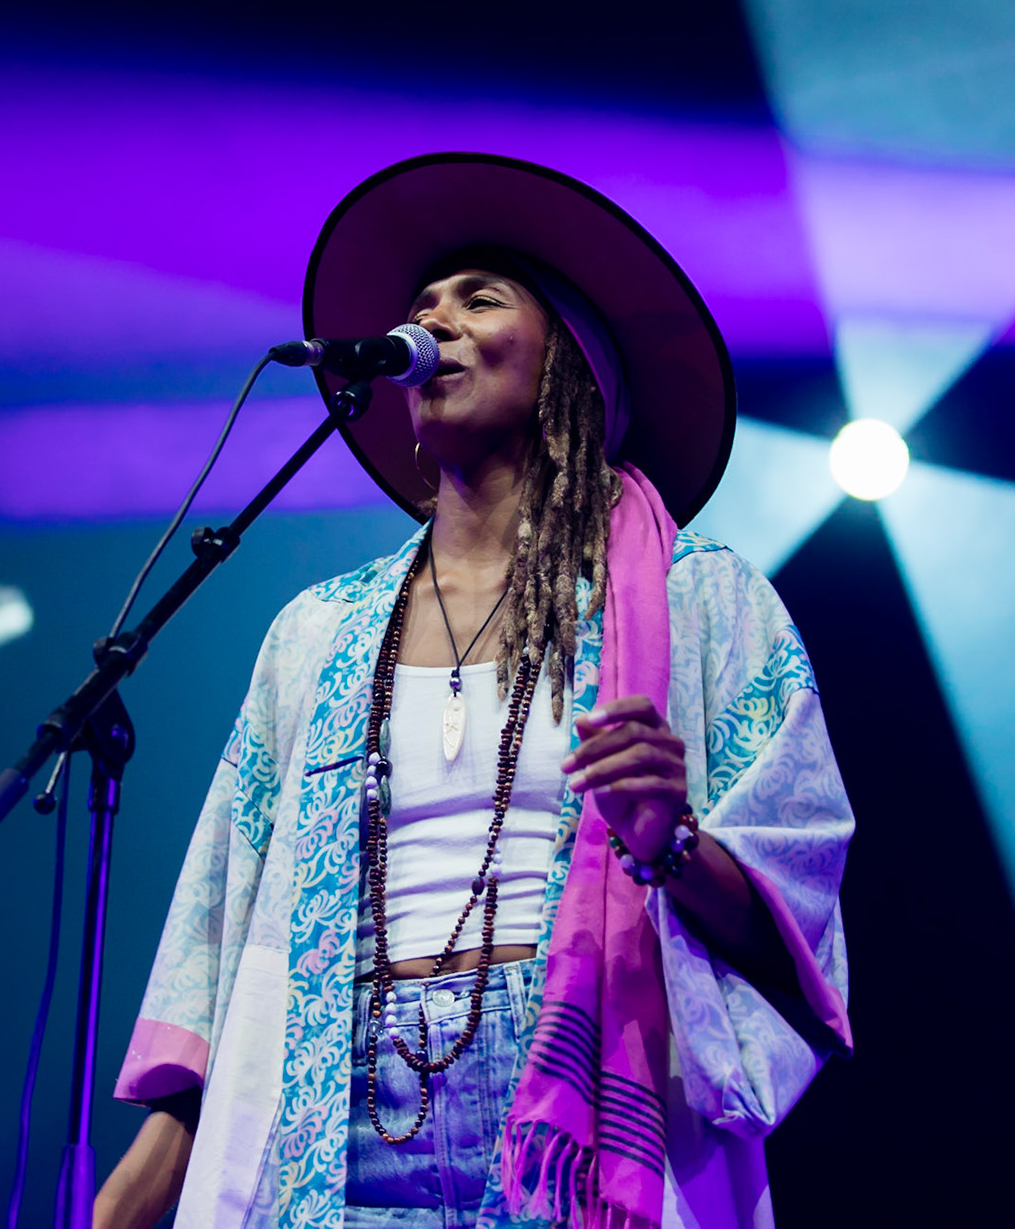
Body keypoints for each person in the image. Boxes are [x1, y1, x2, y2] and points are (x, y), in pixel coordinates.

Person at [96, 154, 853, 1229]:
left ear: (569, 366)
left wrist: (671, 838)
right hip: (338, 1102)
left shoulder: (699, 601)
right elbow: (224, 930)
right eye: (420, 308)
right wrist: (139, 1182)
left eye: (479, 298)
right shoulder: (318, 633)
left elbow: (799, 897)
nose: (435, 320)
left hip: (572, 1100)